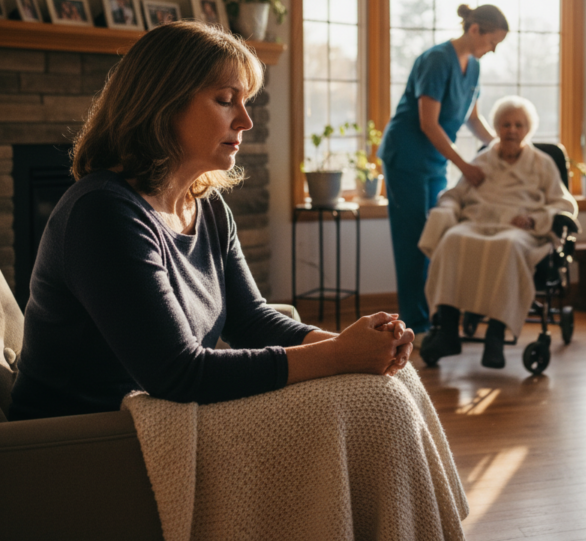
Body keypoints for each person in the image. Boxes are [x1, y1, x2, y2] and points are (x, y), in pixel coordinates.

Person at [10, 21, 415, 421]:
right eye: (225, 99)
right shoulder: (102, 212)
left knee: (390, 386)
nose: (245, 120)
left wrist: (353, 347)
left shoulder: (207, 207)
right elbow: (180, 375)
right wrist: (339, 355)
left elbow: (250, 319)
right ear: (161, 104)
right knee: (370, 406)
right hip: (83, 438)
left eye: (246, 101)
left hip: (159, 417)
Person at [378, 3, 509, 342]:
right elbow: (428, 123)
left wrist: (500, 147)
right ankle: (416, 327)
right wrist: (464, 165)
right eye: (492, 42)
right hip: (406, 156)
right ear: (475, 29)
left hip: (434, 161)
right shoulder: (436, 60)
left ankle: (431, 319)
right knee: (412, 242)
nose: (493, 50)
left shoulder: (475, 68)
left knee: (433, 236)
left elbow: (472, 118)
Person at [418, 95, 578, 369]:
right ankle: (446, 331)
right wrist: (446, 208)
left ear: (527, 130)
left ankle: (495, 332)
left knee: (508, 245)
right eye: (506, 124)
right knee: (452, 239)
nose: (512, 130)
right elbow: (456, 195)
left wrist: (533, 218)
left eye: (518, 125)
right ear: (497, 128)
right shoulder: (482, 159)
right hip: (477, 222)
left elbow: (563, 204)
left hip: (520, 229)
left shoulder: (542, 164)